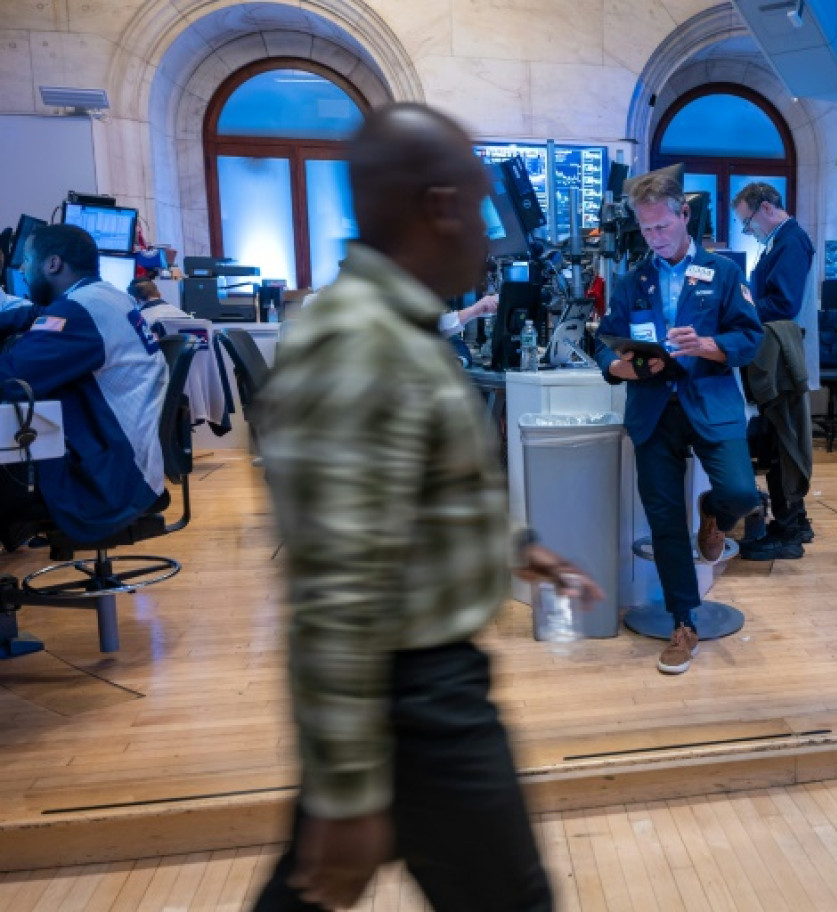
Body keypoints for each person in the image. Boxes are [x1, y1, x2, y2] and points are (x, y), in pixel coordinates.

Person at [252, 103, 600, 912]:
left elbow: (416, 492)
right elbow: (334, 593)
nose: (488, 235)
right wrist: (345, 797)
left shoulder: (394, 332)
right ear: (440, 206)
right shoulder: (361, 344)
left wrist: (517, 545)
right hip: (415, 698)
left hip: (410, 687)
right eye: (479, 207)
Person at [595, 171, 762, 675]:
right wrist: (619, 366)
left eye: (663, 226)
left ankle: (714, 511)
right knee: (665, 519)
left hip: (710, 401)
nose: (655, 237)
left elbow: (750, 339)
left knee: (741, 492)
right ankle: (683, 622)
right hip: (653, 410)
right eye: (646, 230)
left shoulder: (724, 273)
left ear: (684, 215)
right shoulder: (631, 283)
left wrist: (707, 346)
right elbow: (607, 348)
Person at [0, 224, 167, 550]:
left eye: (28, 261)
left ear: (53, 264)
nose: (22, 269)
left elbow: (11, 379)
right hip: (128, 463)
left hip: (107, 482)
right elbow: (38, 315)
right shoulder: (106, 297)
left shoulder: (80, 311)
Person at [731, 181, 816, 560]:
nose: (749, 231)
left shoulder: (791, 241)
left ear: (765, 207)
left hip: (783, 356)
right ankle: (792, 520)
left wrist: (738, 310)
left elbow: (782, 302)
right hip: (776, 354)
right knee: (778, 439)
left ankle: (790, 530)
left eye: (747, 222)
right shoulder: (780, 241)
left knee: (784, 441)